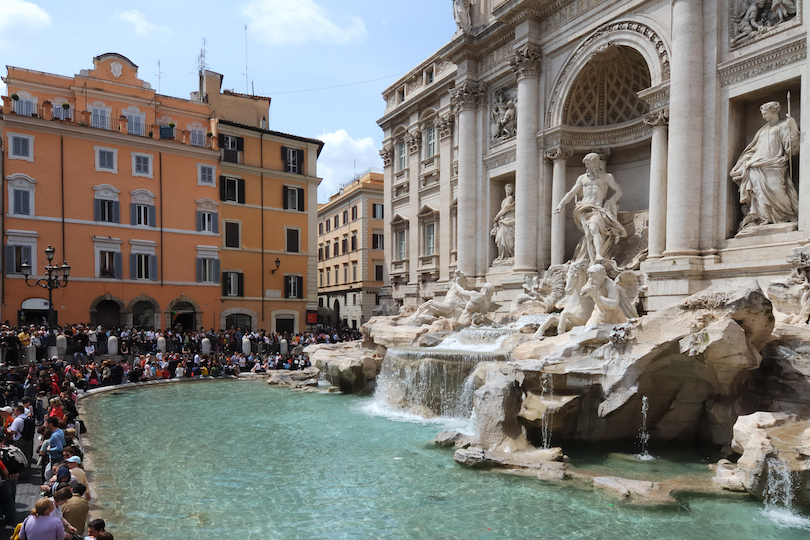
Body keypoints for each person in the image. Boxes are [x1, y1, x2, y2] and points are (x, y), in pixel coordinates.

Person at [730, 101, 800, 231]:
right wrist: (739, 165)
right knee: (757, 193)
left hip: (775, 164)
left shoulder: (784, 125)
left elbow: (791, 149)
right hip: (756, 165)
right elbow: (753, 149)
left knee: (777, 189)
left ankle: (788, 215)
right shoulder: (763, 130)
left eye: (765, 113)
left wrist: (793, 127)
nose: (763, 116)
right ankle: (763, 218)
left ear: (773, 112)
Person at [555, 152, 626, 263]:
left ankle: (598, 255)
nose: (588, 166)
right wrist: (561, 204)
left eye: (591, 163)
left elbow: (619, 191)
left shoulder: (607, 177)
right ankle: (591, 259)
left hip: (597, 208)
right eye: (587, 164)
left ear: (597, 163)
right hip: (583, 208)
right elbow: (572, 192)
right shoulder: (582, 178)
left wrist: (611, 201)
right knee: (588, 234)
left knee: (593, 228)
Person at [490, 183, 516, 262]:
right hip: (503, 221)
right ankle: (503, 256)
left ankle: (508, 255)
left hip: (509, 219)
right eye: (507, 189)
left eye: (510, 189)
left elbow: (505, 209)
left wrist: (496, 218)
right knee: (501, 237)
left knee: (506, 238)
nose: (508, 191)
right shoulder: (505, 199)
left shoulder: (510, 198)